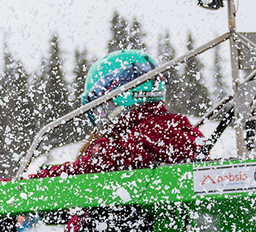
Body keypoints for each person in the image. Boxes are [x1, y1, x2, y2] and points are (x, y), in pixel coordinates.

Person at [30, 49, 203, 179]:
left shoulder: (123, 145)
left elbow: (77, 176)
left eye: (101, 102)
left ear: (119, 96)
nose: (101, 112)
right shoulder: (181, 128)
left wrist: (20, 186)